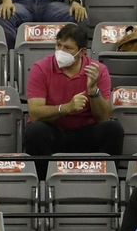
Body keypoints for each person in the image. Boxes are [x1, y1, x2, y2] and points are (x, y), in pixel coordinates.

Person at [22, 22, 124, 180]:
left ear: (82, 52)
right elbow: (35, 113)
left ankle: (109, 182)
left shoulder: (98, 70)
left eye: (67, 48)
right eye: (58, 45)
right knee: (35, 130)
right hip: (54, 132)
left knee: (113, 129)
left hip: (85, 133)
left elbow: (103, 118)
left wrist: (93, 91)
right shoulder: (41, 68)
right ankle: (41, 186)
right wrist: (67, 108)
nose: (60, 51)